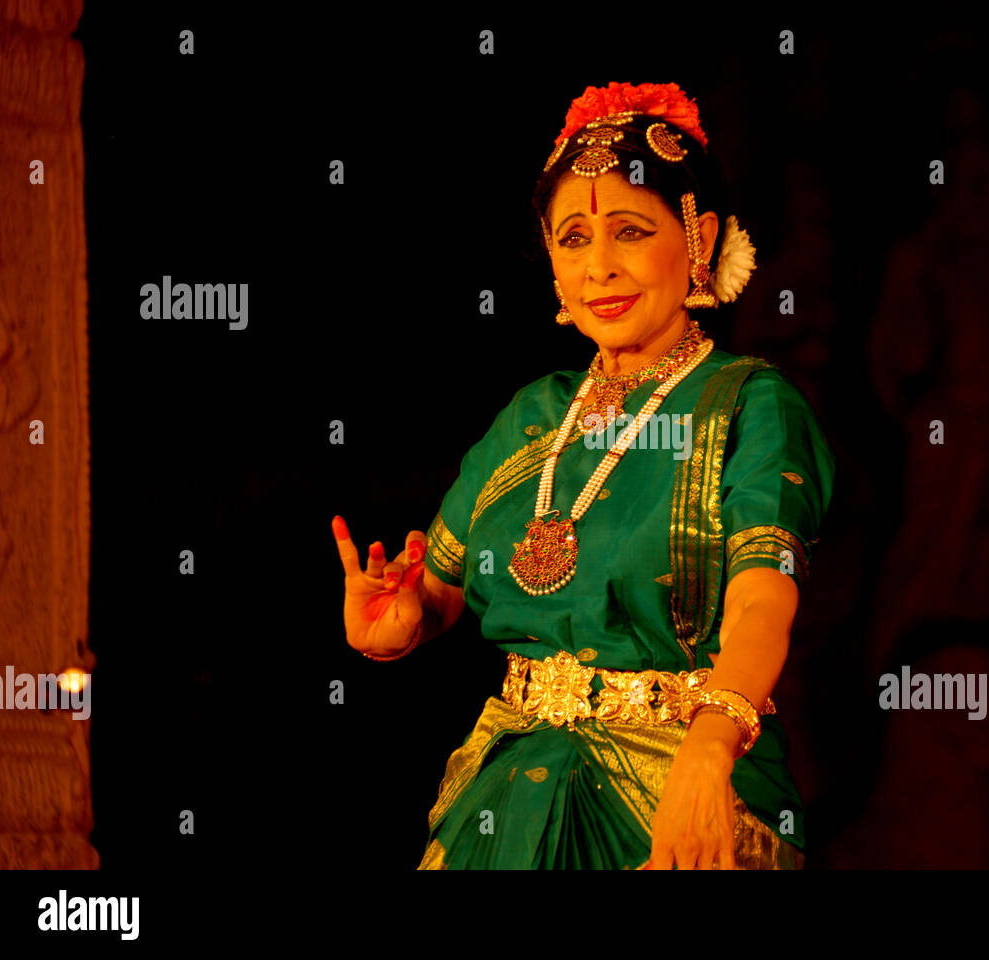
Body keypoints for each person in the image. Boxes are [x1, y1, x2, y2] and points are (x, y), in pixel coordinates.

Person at [331, 81, 835, 869]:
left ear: (699, 240)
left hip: (673, 792)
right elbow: (443, 586)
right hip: (512, 801)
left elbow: (763, 602)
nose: (599, 266)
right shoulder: (535, 415)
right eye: (572, 239)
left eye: (631, 231)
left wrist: (710, 746)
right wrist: (398, 626)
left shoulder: (748, 404)